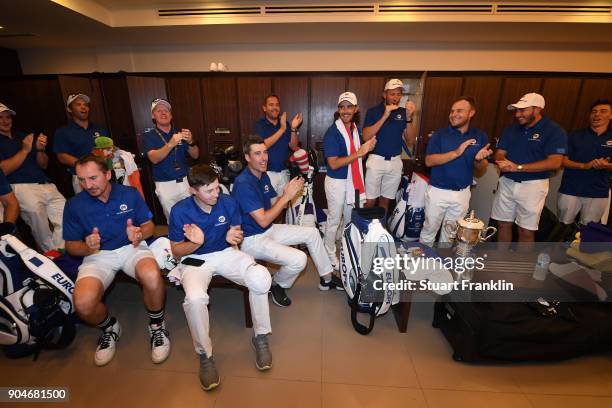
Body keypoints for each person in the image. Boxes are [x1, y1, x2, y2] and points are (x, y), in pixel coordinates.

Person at [168, 164, 272, 391]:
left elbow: (236, 233)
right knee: (194, 299)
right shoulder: (180, 211)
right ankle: (205, 355)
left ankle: (261, 336)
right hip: (195, 259)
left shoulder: (227, 202)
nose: (216, 194)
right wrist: (195, 243)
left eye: (217, 188)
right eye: (209, 191)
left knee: (260, 276)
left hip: (225, 253)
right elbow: (176, 251)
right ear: (193, 190)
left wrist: (233, 236)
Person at [63, 155, 170, 367]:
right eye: (82, 180)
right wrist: (87, 246)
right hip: (98, 255)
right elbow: (71, 246)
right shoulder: (74, 205)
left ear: (108, 174)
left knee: (151, 275)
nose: (88, 185)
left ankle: (157, 325)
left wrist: (140, 234)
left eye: (93, 178)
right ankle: (110, 327)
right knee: (83, 304)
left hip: (132, 247)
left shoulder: (129, 194)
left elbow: (149, 225)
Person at [232, 136, 340, 308]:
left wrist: (286, 193)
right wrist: (286, 197)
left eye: (265, 152)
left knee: (312, 232)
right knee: (299, 259)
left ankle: (327, 278)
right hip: (252, 239)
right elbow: (263, 220)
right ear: (247, 157)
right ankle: (277, 284)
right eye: (257, 154)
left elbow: (274, 206)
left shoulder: (262, 175)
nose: (264, 158)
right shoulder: (244, 184)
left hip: (268, 230)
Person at [491, 93, 567, 245]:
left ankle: (522, 267)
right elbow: (500, 153)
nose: (518, 114)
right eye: (517, 110)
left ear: (537, 109)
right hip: (507, 182)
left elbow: (555, 162)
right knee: (502, 224)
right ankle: (501, 262)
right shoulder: (511, 129)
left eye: (523, 110)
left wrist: (518, 167)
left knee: (526, 230)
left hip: (533, 186)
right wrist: (501, 161)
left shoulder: (554, 131)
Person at [419, 96, 492, 245]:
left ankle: (442, 266)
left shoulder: (480, 136)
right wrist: (456, 153)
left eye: (459, 111)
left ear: (471, 113)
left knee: (450, 236)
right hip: (437, 192)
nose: (454, 114)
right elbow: (429, 161)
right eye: (452, 111)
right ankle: (421, 265)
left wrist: (479, 160)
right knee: (429, 231)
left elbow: (481, 169)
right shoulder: (439, 135)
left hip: (462, 194)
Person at [0, 103, 66, 252]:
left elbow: (43, 164)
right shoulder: (23, 143)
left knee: (67, 217)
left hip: (46, 184)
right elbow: (2, 170)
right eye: (1, 118)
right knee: (41, 228)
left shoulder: (22, 136)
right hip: (22, 187)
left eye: (8, 117)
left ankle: (63, 255)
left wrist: (41, 150)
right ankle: (53, 260)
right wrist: (25, 150)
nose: (5, 121)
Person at [322, 91, 376, 267]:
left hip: (351, 182)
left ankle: (346, 248)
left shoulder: (353, 129)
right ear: (338, 110)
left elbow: (356, 159)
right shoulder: (333, 132)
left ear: (356, 109)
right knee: (334, 220)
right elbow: (334, 164)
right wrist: (359, 153)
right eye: (342, 107)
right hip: (337, 182)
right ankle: (328, 254)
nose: (345, 110)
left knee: (348, 219)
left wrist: (364, 150)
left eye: (349, 106)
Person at [362, 79, 416, 212]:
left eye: (398, 94)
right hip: (376, 160)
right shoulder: (373, 112)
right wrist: (385, 115)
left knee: (385, 201)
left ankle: (381, 230)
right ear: (384, 94)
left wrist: (409, 118)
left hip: (395, 161)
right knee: (369, 200)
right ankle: (364, 229)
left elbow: (410, 140)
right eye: (392, 94)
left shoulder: (403, 112)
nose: (396, 97)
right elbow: (366, 136)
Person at [557, 99, 612, 226]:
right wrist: (584, 166)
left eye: (603, 111)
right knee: (562, 227)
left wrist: (606, 166)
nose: (597, 115)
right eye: (594, 112)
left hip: (598, 192)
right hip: (570, 189)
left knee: (589, 231)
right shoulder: (574, 135)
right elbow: (561, 160)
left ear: (610, 115)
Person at [143, 98, 199, 220]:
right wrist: (170, 144)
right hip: (165, 185)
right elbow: (153, 158)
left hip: (185, 182)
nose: (163, 113)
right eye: (159, 111)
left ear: (171, 115)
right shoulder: (149, 136)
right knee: (174, 221)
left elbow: (195, 155)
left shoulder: (179, 133)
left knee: (193, 217)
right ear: (153, 116)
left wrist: (191, 141)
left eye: (166, 110)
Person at [53, 93, 110, 194]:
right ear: (69, 109)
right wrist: (86, 165)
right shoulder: (63, 132)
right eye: (78, 104)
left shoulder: (100, 129)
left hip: (103, 174)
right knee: (88, 207)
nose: (83, 107)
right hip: (82, 177)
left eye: (85, 105)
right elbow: (61, 156)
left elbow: (108, 149)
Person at [254, 94, 302, 198]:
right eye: (271, 105)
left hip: (284, 172)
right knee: (268, 206)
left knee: (282, 206)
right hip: (267, 173)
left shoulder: (285, 124)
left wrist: (293, 128)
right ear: (264, 108)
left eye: (277, 105)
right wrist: (282, 129)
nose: (275, 107)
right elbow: (262, 145)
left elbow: (293, 147)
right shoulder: (260, 125)